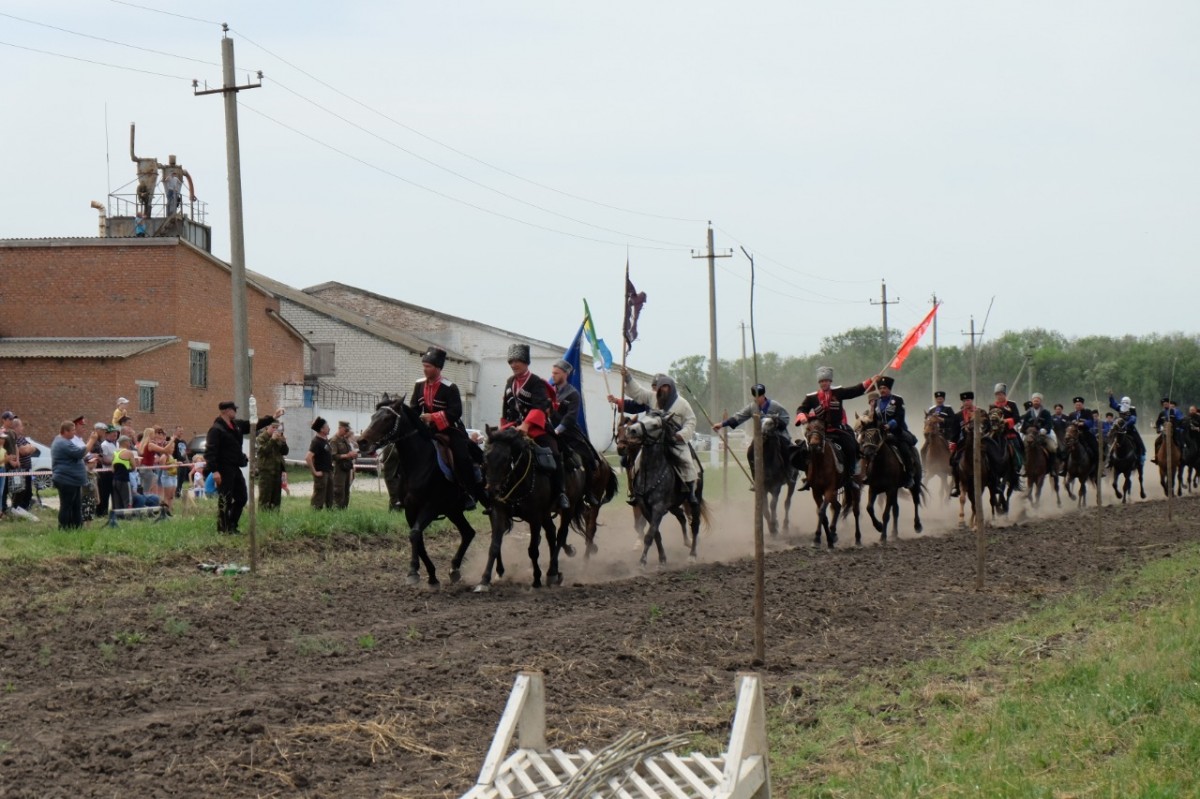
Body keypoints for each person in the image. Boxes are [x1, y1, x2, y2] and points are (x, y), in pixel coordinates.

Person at [411, 346, 489, 509]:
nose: (425, 369)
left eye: (428, 366)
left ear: (438, 368)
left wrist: (433, 417)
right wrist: (416, 420)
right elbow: (414, 408)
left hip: (451, 429)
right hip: (428, 430)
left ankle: (469, 492)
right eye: (424, 366)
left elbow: (455, 412)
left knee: (462, 456)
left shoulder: (449, 387)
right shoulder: (419, 385)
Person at [611, 367, 701, 506]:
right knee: (636, 465)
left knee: (687, 462)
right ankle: (636, 492)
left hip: (674, 441)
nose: (663, 390)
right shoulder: (652, 397)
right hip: (654, 441)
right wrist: (628, 377)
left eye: (666, 387)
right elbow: (639, 392)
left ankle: (690, 494)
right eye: (661, 387)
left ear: (671, 388)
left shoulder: (682, 403)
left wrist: (680, 435)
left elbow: (691, 420)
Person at [501, 343, 567, 509]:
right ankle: (499, 493)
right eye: (511, 362)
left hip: (536, 428)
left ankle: (560, 492)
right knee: (497, 453)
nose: (513, 365)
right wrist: (505, 428)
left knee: (554, 452)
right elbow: (506, 409)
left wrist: (526, 425)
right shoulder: (509, 382)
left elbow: (540, 406)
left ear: (526, 362)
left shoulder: (536, 382)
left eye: (517, 361)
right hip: (514, 428)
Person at [203, 400, 282, 534]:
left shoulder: (236, 425)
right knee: (225, 499)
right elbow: (210, 452)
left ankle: (232, 524)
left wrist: (272, 417)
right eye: (234, 409)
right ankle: (223, 528)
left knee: (242, 497)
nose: (236, 411)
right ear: (226, 411)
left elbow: (253, 424)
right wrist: (214, 471)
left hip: (235, 468)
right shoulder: (216, 429)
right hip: (223, 469)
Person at [793, 365, 875, 484]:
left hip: (836, 429)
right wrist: (802, 417)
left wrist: (870, 381)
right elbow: (801, 409)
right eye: (821, 381)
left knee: (851, 446)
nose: (824, 383)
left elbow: (854, 390)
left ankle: (851, 474)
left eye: (826, 381)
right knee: (804, 450)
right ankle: (809, 475)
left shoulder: (838, 392)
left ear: (830, 381)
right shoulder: (811, 397)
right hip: (819, 430)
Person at [549, 358, 601, 505]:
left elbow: (570, 417)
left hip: (569, 433)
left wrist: (558, 430)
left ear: (565, 374)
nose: (553, 375)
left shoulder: (573, 394)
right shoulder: (548, 391)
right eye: (552, 373)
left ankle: (588, 492)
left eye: (556, 373)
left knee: (588, 457)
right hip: (548, 430)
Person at [713, 383, 793, 472]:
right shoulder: (752, 407)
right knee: (750, 452)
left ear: (763, 395)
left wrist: (776, 422)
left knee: (788, 450)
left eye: (759, 396)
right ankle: (755, 475)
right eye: (755, 397)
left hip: (777, 434)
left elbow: (786, 417)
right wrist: (722, 424)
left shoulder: (775, 405)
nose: (757, 399)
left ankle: (789, 472)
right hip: (761, 436)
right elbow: (739, 417)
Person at [873, 376, 920, 488]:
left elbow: (900, 416)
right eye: (880, 388)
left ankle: (909, 475)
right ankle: (869, 474)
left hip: (897, 432)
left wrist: (890, 425)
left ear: (889, 389)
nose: (882, 390)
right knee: (868, 447)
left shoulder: (897, 400)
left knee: (904, 449)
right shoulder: (877, 402)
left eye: (884, 388)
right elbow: (875, 418)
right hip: (881, 433)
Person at [52, 420, 95, 530]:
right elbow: (80, 453)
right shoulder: (63, 443)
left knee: (76, 506)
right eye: (72, 430)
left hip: (73, 480)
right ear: (65, 431)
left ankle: (77, 528)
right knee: (66, 506)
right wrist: (92, 440)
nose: (74, 432)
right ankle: (64, 529)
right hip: (66, 480)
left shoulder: (65, 441)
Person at [8, 417, 39, 521]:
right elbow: (23, 451)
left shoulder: (22, 438)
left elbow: (33, 448)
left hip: (28, 470)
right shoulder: (14, 439)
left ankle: (25, 510)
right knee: (20, 491)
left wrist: (28, 447)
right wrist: (28, 447)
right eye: (21, 426)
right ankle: (18, 510)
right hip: (20, 471)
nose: (23, 428)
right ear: (16, 427)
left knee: (28, 492)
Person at [990, 383, 1025, 472]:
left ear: (1004, 395)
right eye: (997, 394)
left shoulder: (1011, 404)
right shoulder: (992, 406)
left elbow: (1017, 417)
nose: (999, 396)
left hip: (1009, 431)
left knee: (1018, 445)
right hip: (996, 432)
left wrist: (1006, 421)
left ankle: (1019, 465)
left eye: (1001, 394)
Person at [255, 421, 289, 510]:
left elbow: (285, 452)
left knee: (276, 499)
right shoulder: (261, 438)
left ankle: (275, 515)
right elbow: (263, 451)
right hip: (266, 472)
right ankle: (264, 516)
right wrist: (272, 440)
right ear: (267, 427)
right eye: (273, 427)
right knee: (265, 498)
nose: (275, 430)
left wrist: (284, 442)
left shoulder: (278, 438)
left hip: (277, 471)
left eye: (277, 428)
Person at [949, 391, 977, 497]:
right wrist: (953, 444)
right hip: (963, 444)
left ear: (972, 400)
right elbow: (954, 432)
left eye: (968, 400)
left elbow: (987, 426)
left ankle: (994, 481)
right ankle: (957, 486)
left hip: (979, 442)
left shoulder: (980, 412)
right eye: (964, 401)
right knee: (953, 461)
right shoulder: (958, 415)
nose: (966, 402)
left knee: (992, 455)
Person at [1021, 392, 1058, 466]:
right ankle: (1023, 465)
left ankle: (1051, 467)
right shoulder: (1028, 413)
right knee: (1022, 446)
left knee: (1052, 448)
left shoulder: (1046, 412)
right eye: (1034, 401)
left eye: (1037, 401)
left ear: (1040, 402)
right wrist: (1028, 429)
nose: (1036, 402)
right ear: (1032, 401)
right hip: (1031, 435)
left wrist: (1045, 429)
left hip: (1043, 435)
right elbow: (1024, 425)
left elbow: (1049, 424)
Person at [307, 417, 334, 510]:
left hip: (328, 471)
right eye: (327, 427)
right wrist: (315, 472)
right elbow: (308, 458)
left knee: (330, 495)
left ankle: (330, 512)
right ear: (322, 429)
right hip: (321, 473)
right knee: (319, 496)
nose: (329, 428)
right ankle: (315, 514)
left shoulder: (325, 440)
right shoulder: (316, 442)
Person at [330, 421, 357, 509]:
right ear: (340, 428)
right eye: (346, 430)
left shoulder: (344, 440)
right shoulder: (334, 440)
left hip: (346, 468)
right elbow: (333, 456)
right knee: (339, 489)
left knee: (346, 489)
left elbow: (348, 451)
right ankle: (336, 508)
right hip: (339, 469)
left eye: (348, 430)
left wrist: (353, 455)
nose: (347, 432)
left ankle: (344, 508)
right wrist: (347, 455)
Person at [1068, 396, 1100, 463]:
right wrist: (1073, 423)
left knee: (1095, 448)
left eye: (1079, 405)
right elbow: (1068, 423)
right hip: (1074, 434)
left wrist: (1083, 423)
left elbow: (1091, 422)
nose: (1078, 406)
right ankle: (1064, 466)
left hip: (1085, 433)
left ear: (1082, 405)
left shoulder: (1087, 412)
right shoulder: (1072, 414)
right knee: (1065, 448)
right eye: (1076, 405)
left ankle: (1095, 465)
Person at [111, 435, 139, 511]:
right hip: (124, 480)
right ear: (125, 442)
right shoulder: (128, 453)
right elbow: (134, 467)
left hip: (115, 480)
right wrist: (128, 469)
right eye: (129, 442)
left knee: (117, 501)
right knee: (128, 501)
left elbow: (113, 469)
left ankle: (118, 516)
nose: (130, 443)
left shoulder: (114, 453)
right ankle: (128, 515)